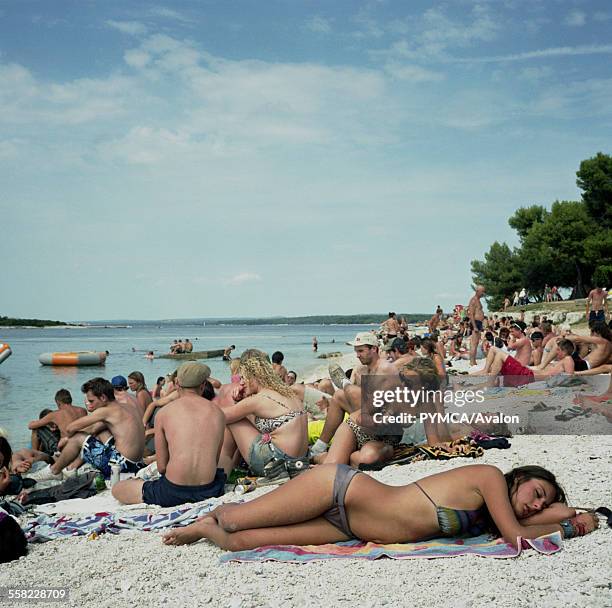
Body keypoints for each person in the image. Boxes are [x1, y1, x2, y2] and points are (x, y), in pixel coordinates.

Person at [162, 464, 599, 550]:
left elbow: (530, 526)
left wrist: (572, 515)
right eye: (535, 492)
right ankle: (204, 520)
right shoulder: (487, 478)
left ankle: (204, 531)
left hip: (349, 530)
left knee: (236, 542)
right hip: (340, 490)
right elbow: (517, 537)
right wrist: (573, 518)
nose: (535, 503)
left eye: (543, 501)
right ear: (518, 479)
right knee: (233, 517)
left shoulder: (493, 512)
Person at [112, 362, 226, 507]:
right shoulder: (218, 413)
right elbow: (214, 460)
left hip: (173, 491)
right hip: (209, 489)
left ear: (177, 383)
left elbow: (162, 467)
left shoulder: (165, 413)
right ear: (203, 385)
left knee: (118, 489)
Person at [29, 378, 145, 481]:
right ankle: (71, 468)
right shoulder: (125, 405)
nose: (90, 404)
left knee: (78, 438)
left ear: (103, 397)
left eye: (91, 401)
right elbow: (94, 429)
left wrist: (66, 438)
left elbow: (70, 428)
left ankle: (54, 470)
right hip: (136, 464)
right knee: (100, 432)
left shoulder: (106, 411)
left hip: (121, 467)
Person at [217, 352, 308, 480]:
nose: (241, 383)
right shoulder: (286, 392)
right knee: (237, 416)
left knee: (231, 422)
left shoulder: (259, 399)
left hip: (277, 462)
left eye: (243, 378)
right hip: (299, 461)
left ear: (255, 377)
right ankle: (227, 470)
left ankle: (222, 475)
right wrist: (241, 401)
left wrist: (200, 405)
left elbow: (221, 416)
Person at [311, 332, 395, 456]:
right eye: (356, 351)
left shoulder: (385, 369)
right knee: (339, 395)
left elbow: (379, 405)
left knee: (349, 390)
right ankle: (319, 447)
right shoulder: (363, 369)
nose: (357, 355)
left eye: (361, 351)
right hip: (368, 419)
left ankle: (345, 383)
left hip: (385, 429)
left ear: (374, 349)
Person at [467, 285, 486, 367]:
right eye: (482, 291)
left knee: (476, 342)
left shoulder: (478, 300)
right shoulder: (473, 300)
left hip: (479, 322)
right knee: (474, 343)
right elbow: (471, 314)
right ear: (478, 291)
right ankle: (472, 361)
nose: (483, 293)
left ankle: (473, 361)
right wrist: (474, 326)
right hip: (476, 322)